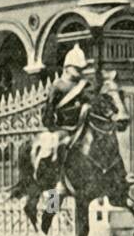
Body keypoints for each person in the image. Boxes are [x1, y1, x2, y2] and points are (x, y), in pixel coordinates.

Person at [35, 44, 92, 182]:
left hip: (83, 127)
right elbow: (48, 111)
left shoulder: (85, 86)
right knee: (54, 151)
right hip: (63, 129)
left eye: (81, 68)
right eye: (77, 67)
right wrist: (53, 128)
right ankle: (50, 185)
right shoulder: (58, 86)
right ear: (67, 67)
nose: (80, 70)